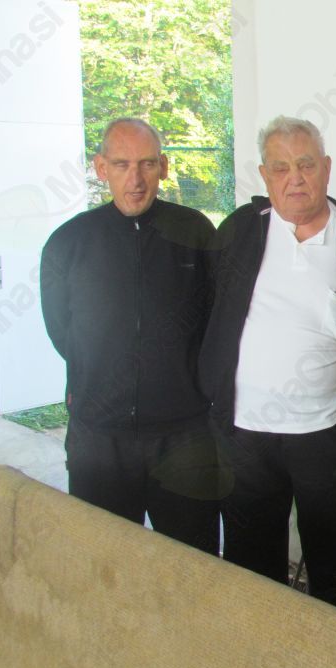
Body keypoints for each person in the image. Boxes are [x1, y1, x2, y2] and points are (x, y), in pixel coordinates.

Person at [198, 116, 336, 606]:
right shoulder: (239, 231)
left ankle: (333, 649)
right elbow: (206, 311)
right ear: (264, 176)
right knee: (251, 565)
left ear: (326, 168)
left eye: (306, 165)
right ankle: (260, 644)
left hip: (326, 433)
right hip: (245, 432)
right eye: (281, 167)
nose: (295, 179)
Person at [40, 117, 220, 553]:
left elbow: (217, 320)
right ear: (101, 168)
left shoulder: (195, 233)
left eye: (147, 164)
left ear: (164, 167)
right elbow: (61, 330)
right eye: (121, 165)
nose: (135, 180)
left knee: (193, 566)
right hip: (99, 438)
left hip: (184, 438)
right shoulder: (69, 242)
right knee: (105, 564)